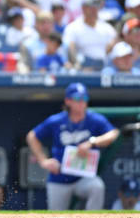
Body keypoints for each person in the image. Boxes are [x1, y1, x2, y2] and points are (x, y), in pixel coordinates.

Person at [26, 82, 120, 210]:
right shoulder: (57, 120)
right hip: (59, 176)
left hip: (84, 176)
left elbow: (114, 133)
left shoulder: (94, 119)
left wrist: (92, 142)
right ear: (68, 101)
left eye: (84, 98)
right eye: (77, 98)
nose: (81, 102)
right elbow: (32, 136)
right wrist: (43, 161)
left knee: (97, 187)